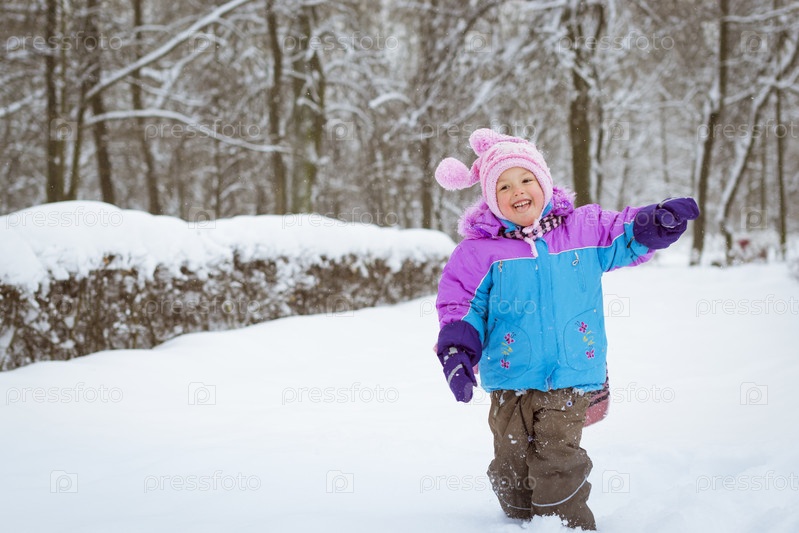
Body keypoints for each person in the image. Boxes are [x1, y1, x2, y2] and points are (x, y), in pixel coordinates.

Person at [433, 128, 698, 529]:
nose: (517, 191)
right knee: (510, 465)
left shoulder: (583, 228)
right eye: (503, 186)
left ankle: (566, 523)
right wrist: (457, 351)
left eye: (526, 179)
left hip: (570, 374)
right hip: (509, 376)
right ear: (490, 198)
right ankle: (519, 519)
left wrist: (655, 222)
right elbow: (460, 305)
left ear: (543, 182)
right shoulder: (477, 253)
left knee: (557, 460)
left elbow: (624, 232)